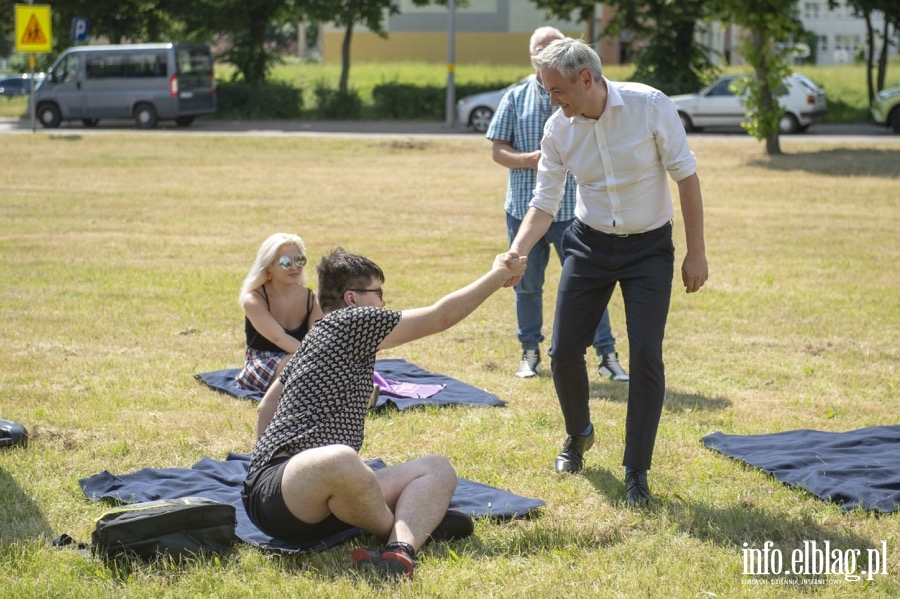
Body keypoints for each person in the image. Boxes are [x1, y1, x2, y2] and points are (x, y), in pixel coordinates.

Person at [505, 38, 708, 506]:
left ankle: (636, 469)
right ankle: (579, 435)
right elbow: (543, 202)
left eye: (556, 91)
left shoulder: (650, 106)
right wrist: (516, 253)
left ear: (587, 79)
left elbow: (686, 178)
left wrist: (695, 253)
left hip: (649, 249)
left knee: (646, 356)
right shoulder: (558, 130)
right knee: (563, 351)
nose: (551, 101)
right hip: (590, 243)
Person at [242, 247, 527, 579]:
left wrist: (255, 466)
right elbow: (440, 316)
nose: (383, 304)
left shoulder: (317, 337)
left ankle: (399, 551)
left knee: (438, 468)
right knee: (341, 458)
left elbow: (266, 407)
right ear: (352, 298)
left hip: (320, 503)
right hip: (283, 495)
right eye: (378, 294)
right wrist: (497, 276)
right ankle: (408, 525)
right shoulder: (352, 321)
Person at [486, 26, 628, 382]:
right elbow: (497, 151)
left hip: (571, 214)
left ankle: (607, 355)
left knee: (589, 287)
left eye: (555, 49)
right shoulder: (515, 97)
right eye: (541, 52)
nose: (548, 57)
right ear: (533, 59)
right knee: (527, 286)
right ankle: (530, 353)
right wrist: (529, 160)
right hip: (524, 209)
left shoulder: (587, 99)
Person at [236, 233, 324, 427]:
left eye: (299, 260)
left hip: (303, 358)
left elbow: (316, 339)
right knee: (301, 365)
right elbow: (279, 338)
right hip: (263, 361)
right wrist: (318, 360)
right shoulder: (254, 299)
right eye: (285, 262)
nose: (294, 267)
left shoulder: (312, 299)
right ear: (269, 266)